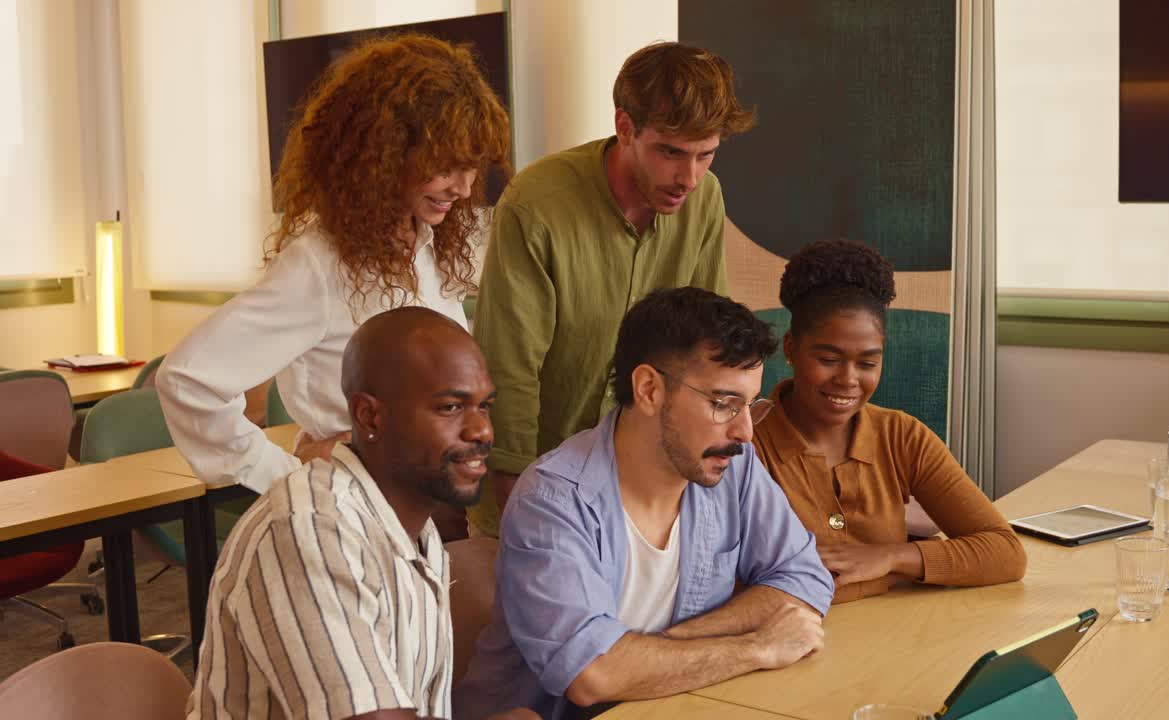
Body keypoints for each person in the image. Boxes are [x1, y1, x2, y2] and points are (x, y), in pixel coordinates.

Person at [157, 34, 509, 519]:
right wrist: (288, 479)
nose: (465, 188)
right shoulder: (320, 265)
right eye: (446, 168)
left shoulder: (430, 243)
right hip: (352, 512)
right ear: (385, 154)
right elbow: (187, 380)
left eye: (472, 169)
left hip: (423, 507)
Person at [456, 288, 834, 720]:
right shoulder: (552, 499)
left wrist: (659, 649)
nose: (745, 432)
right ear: (649, 389)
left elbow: (804, 579)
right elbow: (593, 673)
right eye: (724, 404)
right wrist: (757, 646)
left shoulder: (732, 465)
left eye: (750, 406)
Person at [467, 41, 757, 538]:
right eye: (670, 152)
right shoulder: (536, 205)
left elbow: (711, 350)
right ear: (625, 127)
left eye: (705, 155)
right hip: (536, 488)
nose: (687, 177)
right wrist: (526, 522)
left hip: (646, 493)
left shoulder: (704, 197)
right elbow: (510, 371)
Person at [187, 307, 535, 720]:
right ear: (371, 417)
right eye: (450, 408)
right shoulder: (309, 530)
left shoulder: (413, 527)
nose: (482, 430)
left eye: (484, 406)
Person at [751, 239, 1027, 604]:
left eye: (867, 363)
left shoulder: (901, 435)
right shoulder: (747, 443)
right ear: (790, 349)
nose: (849, 379)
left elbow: (1005, 552)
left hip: (895, 639)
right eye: (829, 359)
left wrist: (889, 556)